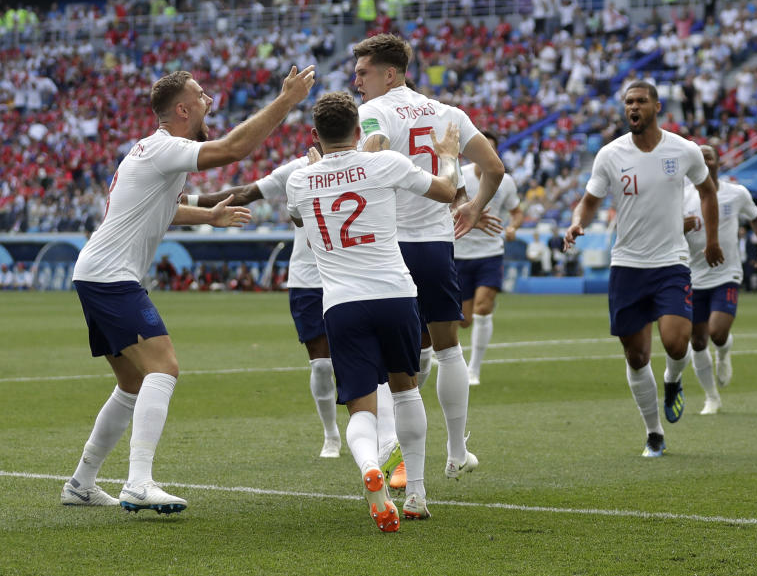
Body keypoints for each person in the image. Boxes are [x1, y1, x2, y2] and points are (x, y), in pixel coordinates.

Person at [62, 65, 315, 512]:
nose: (209, 101)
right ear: (183, 109)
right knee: (164, 368)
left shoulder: (153, 151)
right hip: (110, 276)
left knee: (132, 385)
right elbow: (233, 149)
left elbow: (166, 208)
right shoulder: (166, 148)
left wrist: (211, 216)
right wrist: (286, 101)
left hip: (99, 272)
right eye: (201, 95)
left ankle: (81, 483)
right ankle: (138, 482)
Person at [286, 91, 461, 530]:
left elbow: (297, 219)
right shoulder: (384, 163)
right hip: (395, 293)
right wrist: (449, 157)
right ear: (357, 128)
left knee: (362, 408)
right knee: (406, 391)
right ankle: (417, 493)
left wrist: (315, 171)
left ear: (315, 135)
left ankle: (370, 466)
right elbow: (446, 191)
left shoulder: (299, 179)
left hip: (342, 302)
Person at [353, 33, 505, 479]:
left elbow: (371, 150)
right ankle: (457, 452)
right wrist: (474, 208)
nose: (357, 80)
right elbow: (493, 167)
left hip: (387, 248)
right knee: (448, 348)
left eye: (363, 72)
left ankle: (393, 449)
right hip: (436, 245)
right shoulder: (448, 113)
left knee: (386, 357)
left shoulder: (373, 112)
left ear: (389, 73)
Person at [563, 82, 723, 457]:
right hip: (628, 266)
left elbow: (708, 192)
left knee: (676, 342)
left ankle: (672, 380)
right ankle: (654, 432)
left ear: (656, 106)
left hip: (671, 263)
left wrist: (712, 240)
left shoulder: (683, 150)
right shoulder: (610, 154)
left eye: (640, 102)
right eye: (628, 103)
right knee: (635, 356)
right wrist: (577, 222)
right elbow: (589, 201)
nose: (633, 107)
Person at [182, 156, 344, 459]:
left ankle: (376, 432)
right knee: (322, 365)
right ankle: (331, 434)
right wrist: (189, 198)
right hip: (308, 279)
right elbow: (245, 193)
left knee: (359, 361)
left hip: (351, 275)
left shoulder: (361, 163)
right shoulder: (297, 168)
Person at [682, 144, 757, 414]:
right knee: (697, 342)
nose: (704, 161)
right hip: (692, 275)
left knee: (717, 333)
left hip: (726, 274)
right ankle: (712, 397)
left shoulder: (737, 193)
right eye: (699, 157)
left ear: (718, 163)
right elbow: (665, 228)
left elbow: (756, 219)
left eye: (709, 156)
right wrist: (680, 225)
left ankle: (723, 351)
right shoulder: (682, 196)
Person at [453, 131, 523, 386]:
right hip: (459, 254)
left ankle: (474, 369)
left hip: (490, 253)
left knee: (484, 307)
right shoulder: (459, 175)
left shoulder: (506, 181)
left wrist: (514, 226)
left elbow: (517, 211)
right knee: (463, 320)